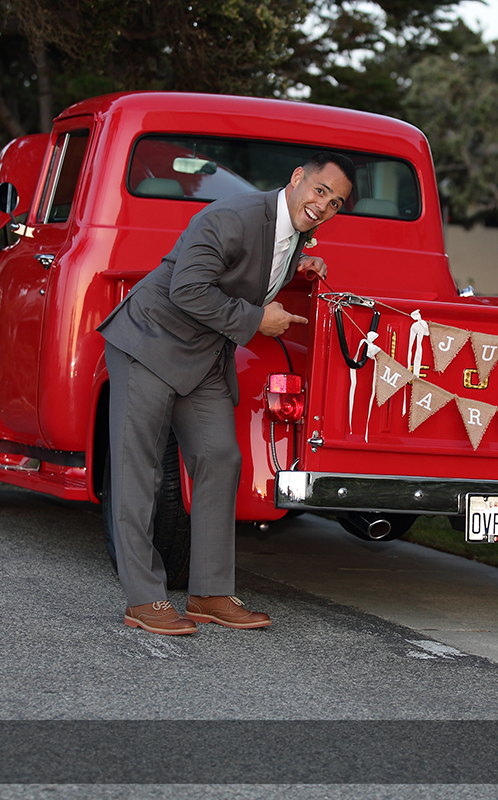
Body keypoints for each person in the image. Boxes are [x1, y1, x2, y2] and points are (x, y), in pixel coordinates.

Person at [98, 152, 356, 635]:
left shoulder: (294, 232)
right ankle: (143, 599)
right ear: (297, 178)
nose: (324, 205)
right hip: (149, 345)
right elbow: (186, 289)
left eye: (336, 202)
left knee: (221, 457)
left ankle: (210, 592)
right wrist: (259, 320)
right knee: (141, 471)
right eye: (320, 191)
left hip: (204, 358)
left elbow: (255, 266)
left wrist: (301, 263)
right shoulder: (229, 216)